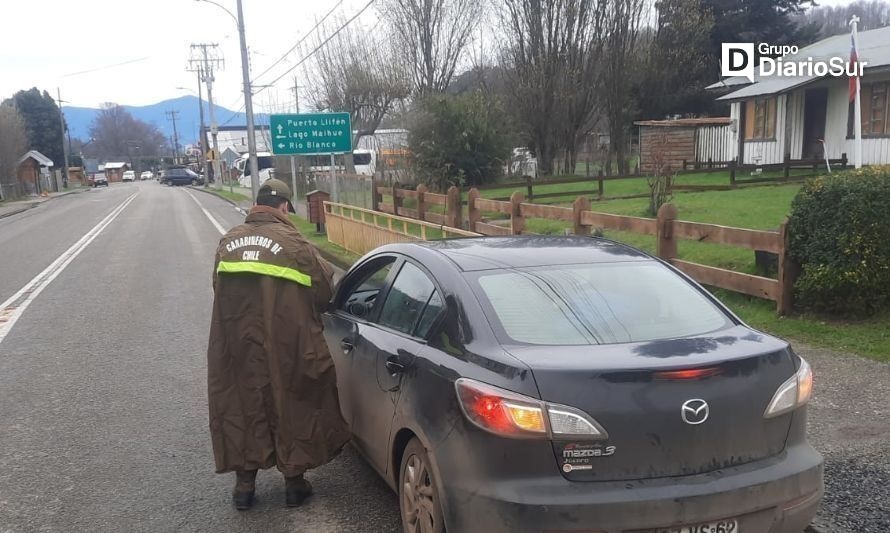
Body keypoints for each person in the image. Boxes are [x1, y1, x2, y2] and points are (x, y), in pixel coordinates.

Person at [206, 178, 350, 510]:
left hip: (236, 343)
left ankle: (244, 488)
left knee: (242, 405)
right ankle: (294, 483)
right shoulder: (296, 245)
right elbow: (325, 292)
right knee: (293, 403)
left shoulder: (228, 243)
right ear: (284, 207)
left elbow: (218, 287)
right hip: (289, 342)